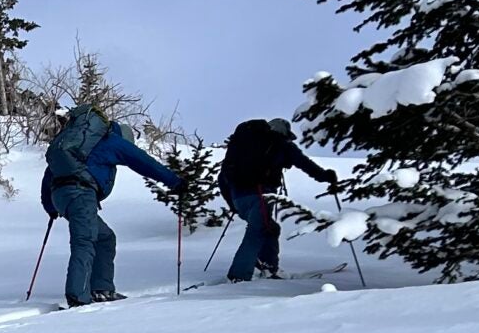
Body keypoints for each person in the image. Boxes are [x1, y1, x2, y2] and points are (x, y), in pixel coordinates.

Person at [40, 103, 182, 307]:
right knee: (84, 241)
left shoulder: (75, 145)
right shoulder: (111, 141)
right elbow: (143, 162)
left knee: (105, 237)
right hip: (81, 193)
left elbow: (49, 174)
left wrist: (51, 207)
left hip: (62, 196)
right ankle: (78, 296)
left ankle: (101, 289)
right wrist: (174, 182)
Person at [217, 117, 337, 283]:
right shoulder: (281, 144)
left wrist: (233, 204)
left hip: (238, 198)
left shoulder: (243, 146)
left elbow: (222, 177)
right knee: (257, 232)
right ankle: (239, 275)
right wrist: (325, 176)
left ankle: (267, 265)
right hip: (261, 195)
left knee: (270, 228)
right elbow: (305, 163)